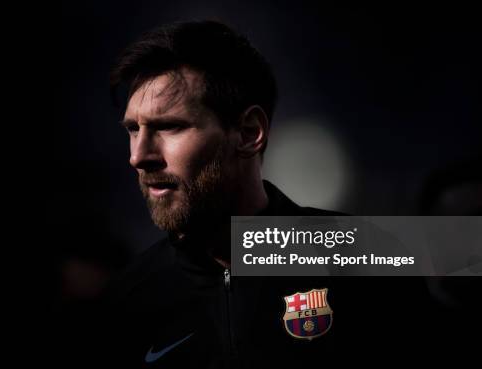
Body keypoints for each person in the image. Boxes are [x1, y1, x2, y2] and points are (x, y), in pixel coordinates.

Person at [101, 20, 466, 368]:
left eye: (169, 126)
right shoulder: (126, 302)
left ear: (248, 132)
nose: (139, 156)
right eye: (133, 129)